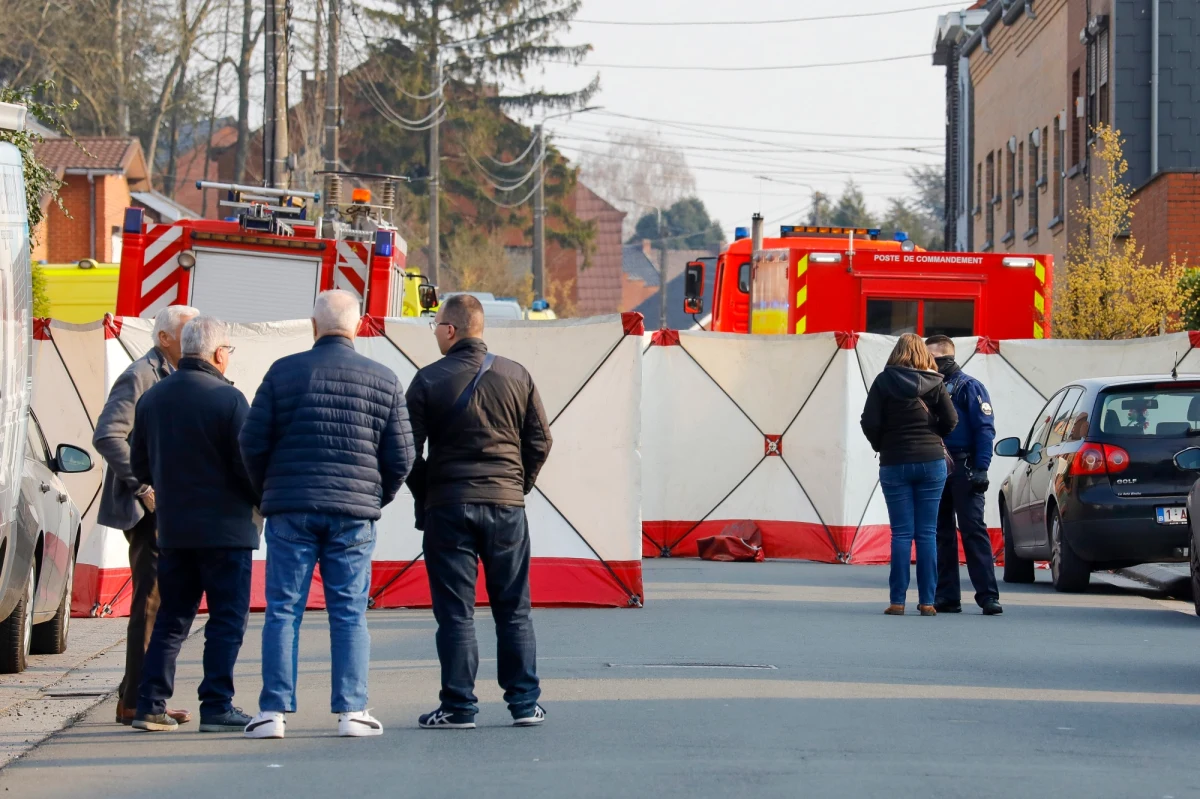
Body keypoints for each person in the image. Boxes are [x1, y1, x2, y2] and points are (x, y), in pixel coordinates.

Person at [239, 290, 414, 740]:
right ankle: (352, 712)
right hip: (354, 514)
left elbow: (252, 443)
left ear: (314, 326)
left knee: (282, 610)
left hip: (290, 509)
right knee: (349, 612)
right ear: (357, 326)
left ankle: (272, 714)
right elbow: (402, 456)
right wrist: (375, 496)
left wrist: (269, 491)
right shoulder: (384, 378)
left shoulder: (281, 373)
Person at [405, 294, 552, 730]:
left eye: (436, 325)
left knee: (455, 612)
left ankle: (458, 707)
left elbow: (406, 451)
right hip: (507, 507)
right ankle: (525, 704)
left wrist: (430, 490)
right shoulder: (516, 375)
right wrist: (516, 485)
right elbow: (540, 441)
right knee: (514, 609)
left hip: (449, 508)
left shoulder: (428, 380)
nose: (434, 332)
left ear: (451, 330)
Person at [128, 317, 259, 732]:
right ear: (219, 353)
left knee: (172, 617)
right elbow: (248, 465)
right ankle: (217, 705)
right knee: (225, 619)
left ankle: (150, 704)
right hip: (227, 530)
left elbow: (139, 465)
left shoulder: (153, 399)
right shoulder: (230, 400)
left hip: (176, 529)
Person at [93, 304, 198, 726]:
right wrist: (142, 486)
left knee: (161, 601)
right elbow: (108, 434)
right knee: (151, 603)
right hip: (146, 510)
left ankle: (140, 695)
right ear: (165, 338)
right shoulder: (141, 374)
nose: (194, 342)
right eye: (187, 333)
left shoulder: (170, 374)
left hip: (167, 507)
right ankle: (138, 701)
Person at [860, 333, 958, 617]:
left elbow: (869, 421)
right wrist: (933, 437)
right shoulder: (936, 382)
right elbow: (951, 420)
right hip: (931, 463)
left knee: (901, 534)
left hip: (895, 462)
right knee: (927, 533)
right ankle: (927, 602)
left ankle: (897, 601)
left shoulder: (883, 381)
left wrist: (882, 444)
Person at [925, 335, 1002, 616]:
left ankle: (988, 596)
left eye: (930, 359)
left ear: (945, 358)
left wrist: (982, 468)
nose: (925, 364)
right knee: (940, 532)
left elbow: (985, 428)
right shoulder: (928, 388)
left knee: (972, 530)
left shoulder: (969, 387)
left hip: (964, 465)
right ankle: (947, 596)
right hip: (936, 466)